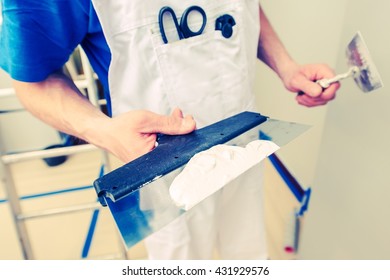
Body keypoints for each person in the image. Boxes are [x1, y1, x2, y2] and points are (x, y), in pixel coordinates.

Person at [0, 0, 339, 259]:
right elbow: (34, 79)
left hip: (244, 140)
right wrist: (102, 130)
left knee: (247, 253)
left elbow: (239, 10)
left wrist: (286, 66)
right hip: (161, 168)